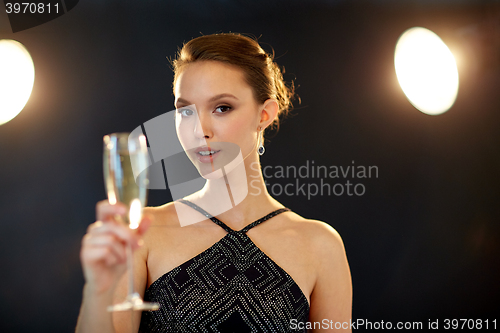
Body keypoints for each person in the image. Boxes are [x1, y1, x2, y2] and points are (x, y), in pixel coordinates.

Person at [76, 33, 352, 333]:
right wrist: (97, 292)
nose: (199, 130)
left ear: (264, 114)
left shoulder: (320, 245)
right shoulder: (143, 233)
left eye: (222, 108)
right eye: (185, 111)